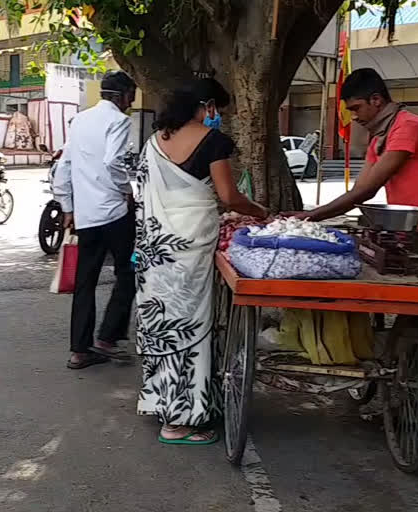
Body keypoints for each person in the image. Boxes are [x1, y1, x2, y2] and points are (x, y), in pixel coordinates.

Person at [283, 68, 418, 460]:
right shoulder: (379, 138)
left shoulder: (408, 127)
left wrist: (312, 217)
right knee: (405, 325)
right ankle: (401, 402)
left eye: (357, 107)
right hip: (405, 237)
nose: (355, 116)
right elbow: (361, 194)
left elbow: (368, 188)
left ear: (377, 100)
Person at [135, 79, 269, 444]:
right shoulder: (214, 142)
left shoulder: (155, 141)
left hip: (154, 247)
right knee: (192, 326)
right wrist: (258, 211)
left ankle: (160, 402)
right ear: (207, 105)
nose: (218, 118)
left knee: (162, 321)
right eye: (218, 111)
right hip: (190, 247)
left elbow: (145, 196)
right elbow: (228, 195)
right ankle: (181, 422)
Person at [53, 70, 139, 370]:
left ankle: (79, 350)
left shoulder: (80, 120)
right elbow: (114, 162)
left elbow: (64, 166)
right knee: (127, 273)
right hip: (114, 212)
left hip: (86, 215)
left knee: (84, 282)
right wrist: (127, 190)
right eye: (131, 95)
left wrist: (67, 207)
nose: (132, 102)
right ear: (121, 95)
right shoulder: (118, 121)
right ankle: (107, 337)